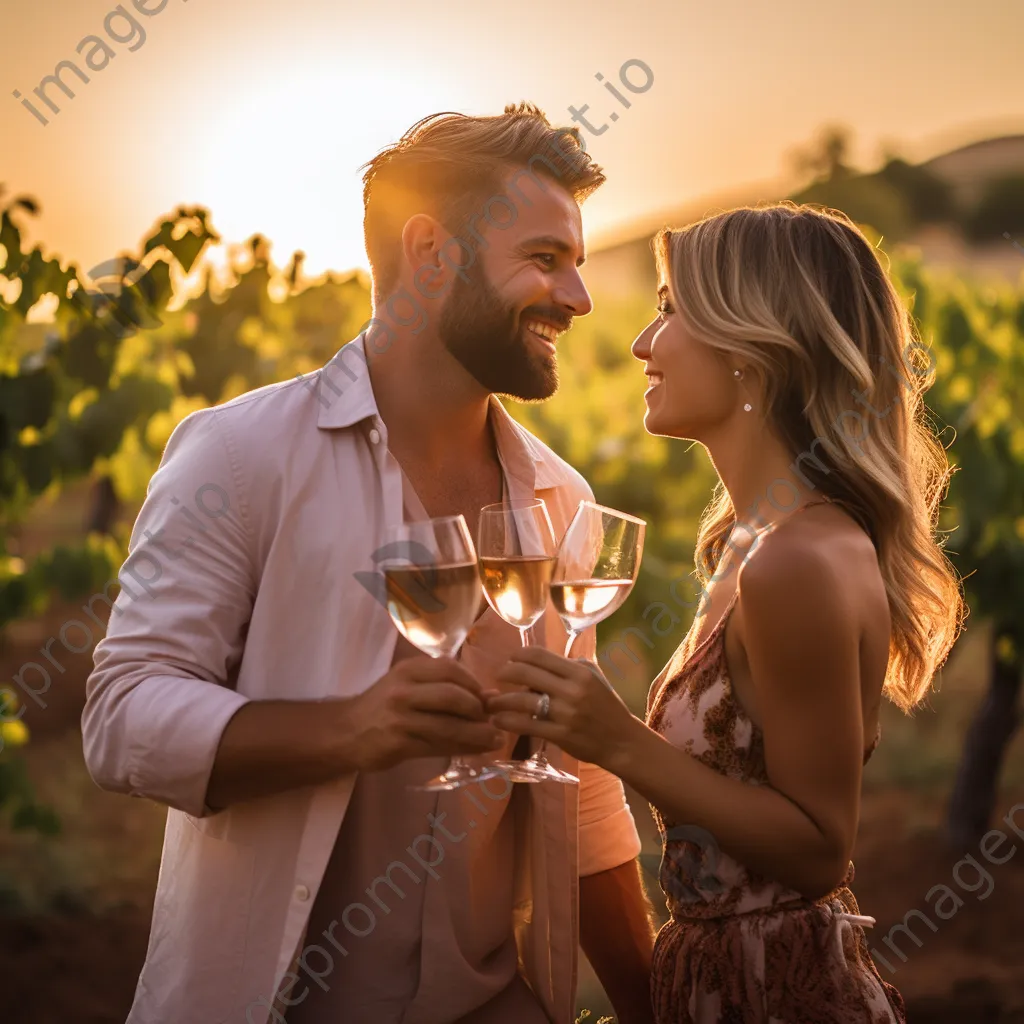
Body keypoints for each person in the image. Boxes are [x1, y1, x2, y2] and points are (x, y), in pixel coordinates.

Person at [82, 103, 657, 1024]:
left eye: (577, 262)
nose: (579, 299)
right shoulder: (240, 458)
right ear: (432, 253)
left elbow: (578, 786)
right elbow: (122, 716)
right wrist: (353, 728)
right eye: (546, 259)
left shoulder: (561, 500)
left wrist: (651, 1005)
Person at [485, 203, 964, 1023]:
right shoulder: (749, 542)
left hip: (774, 990)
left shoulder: (795, 561)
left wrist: (616, 742)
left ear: (753, 349)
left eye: (670, 309)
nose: (641, 343)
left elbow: (819, 848)